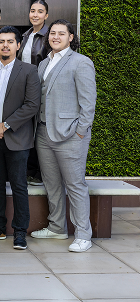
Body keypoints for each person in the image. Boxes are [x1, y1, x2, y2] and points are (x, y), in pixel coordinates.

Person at [31, 20, 97, 252]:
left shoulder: (81, 62)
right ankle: (57, 227)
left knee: (75, 185)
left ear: (71, 37)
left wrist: (80, 132)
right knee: (52, 184)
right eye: (52, 33)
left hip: (70, 135)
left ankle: (83, 235)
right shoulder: (43, 63)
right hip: (43, 133)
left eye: (61, 33)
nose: (56, 37)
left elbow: (88, 103)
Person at [0, 27, 41, 250]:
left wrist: (4, 126)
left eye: (10, 41)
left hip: (17, 138)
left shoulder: (29, 70)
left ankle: (20, 231)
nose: (5, 45)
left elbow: (32, 105)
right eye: (2, 41)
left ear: (18, 45)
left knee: (19, 185)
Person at [18, 0, 50, 186]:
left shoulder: (48, 37)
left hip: (39, 89)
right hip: (23, 89)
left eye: (40, 11)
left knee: (39, 131)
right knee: (27, 130)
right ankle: (28, 170)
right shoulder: (25, 35)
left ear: (46, 15)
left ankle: (39, 173)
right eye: (32, 11)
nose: (35, 14)